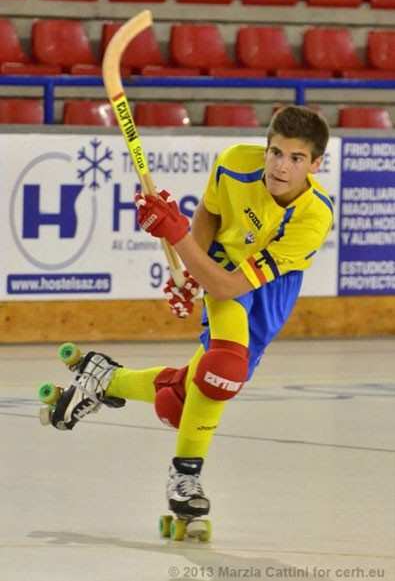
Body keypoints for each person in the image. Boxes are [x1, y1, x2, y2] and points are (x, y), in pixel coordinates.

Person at [48, 105, 333, 526]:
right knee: (224, 369)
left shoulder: (313, 216)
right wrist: (186, 272)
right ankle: (185, 477)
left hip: (263, 290)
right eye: (275, 152)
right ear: (265, 147)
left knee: (180, 401)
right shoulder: (235, 163)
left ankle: (104, 377)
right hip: (223, 273)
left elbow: (232, 285)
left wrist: (176, 236)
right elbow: (210, 216)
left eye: (295, 159)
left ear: (315, 165)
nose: (280, 166)